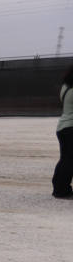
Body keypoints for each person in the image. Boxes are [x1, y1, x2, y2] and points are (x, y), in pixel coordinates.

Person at [53, 64, 73, 199]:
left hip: (63, 127)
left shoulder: (65, 87)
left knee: (66, 159)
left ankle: (59, 188)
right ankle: (61, 190)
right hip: (71, 128)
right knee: (69, 160)